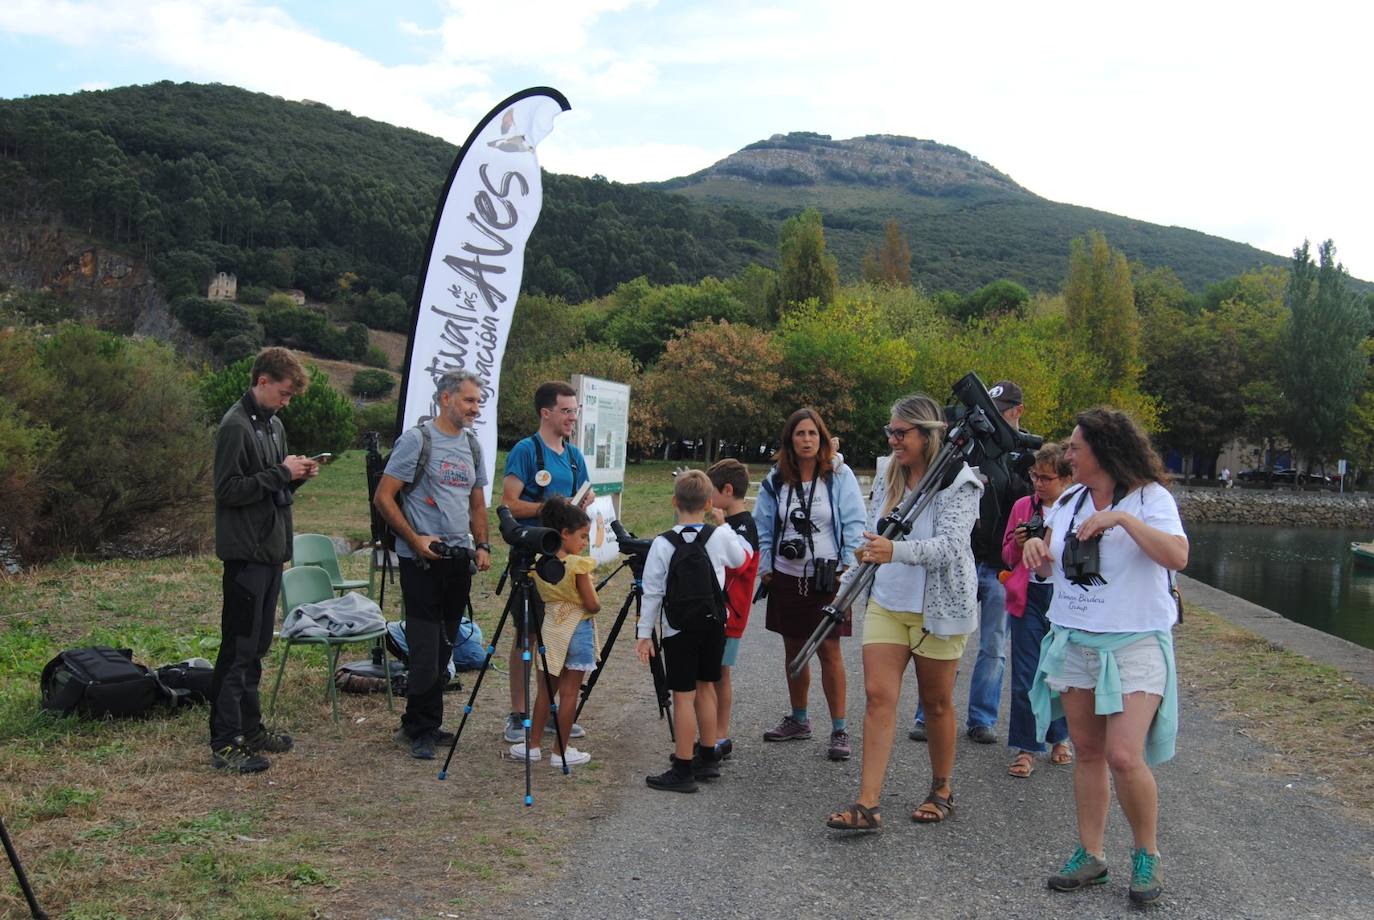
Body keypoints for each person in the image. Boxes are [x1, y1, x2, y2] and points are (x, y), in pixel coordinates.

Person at [1021, 407, 1187, 906]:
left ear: (1102, 450)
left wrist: (1119, 519)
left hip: (1134, 642)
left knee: (1123, 755)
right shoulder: (1068, 500)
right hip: (1075, 637)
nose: (1068, 454)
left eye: (1075, 447)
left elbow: (1177, 556)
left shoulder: (1150, 498)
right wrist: (1036, 550)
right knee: (1089, 752)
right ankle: (1090, 855)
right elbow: (1051, 568)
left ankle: (1147, 854)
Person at [825, 395, 983, 830]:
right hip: (888, 603)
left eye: (901, 433)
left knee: (935, 703)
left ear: (927, 434)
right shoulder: (887, 473)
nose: (894, 440)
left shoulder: (961, 483)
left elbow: (952, 548)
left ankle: (941, 788)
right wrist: (850, 579)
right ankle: (867, 803)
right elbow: (872, 535)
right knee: (878, 698)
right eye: (889, 432)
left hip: (938, 608)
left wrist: (896, 550)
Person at [374, 370, 492, 760]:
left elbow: (477, 503)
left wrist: (483, 544)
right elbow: (384, 497)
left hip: (458, 561)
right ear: (445, 399)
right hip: (421, 561)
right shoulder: (418, 441)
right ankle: (420, 729)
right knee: (424, 647)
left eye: (478, 401)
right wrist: (414, 539)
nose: (476, 408)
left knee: (444, 646)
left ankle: (424, 720)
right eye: (469, 400)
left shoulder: (473, 447)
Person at [210, 347, 318, 773]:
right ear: (262, 381)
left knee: (257, 647)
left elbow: (275, 493)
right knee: (236, 649)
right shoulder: (235, 427)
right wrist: (281, 473)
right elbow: (228, 490)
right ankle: (224, 740)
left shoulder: (274, 425)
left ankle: (251, 728)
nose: (286, 401)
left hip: (271, 551)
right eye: (283, 393)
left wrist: (297, 477)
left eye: (290, 396)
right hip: (245, 554)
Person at [912, 380, 1030, 744]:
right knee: (938, 633)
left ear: (1018, 411)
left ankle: (982, 718)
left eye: (1003, 410)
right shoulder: (964, 445)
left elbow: (1029, 503)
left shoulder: (1024, 454)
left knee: (993, 646)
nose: (995, 418)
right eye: (990, 410)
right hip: (957, 559)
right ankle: (925, 714)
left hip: (999, 565)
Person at [753, 408, 866, 760]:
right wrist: (767, 568)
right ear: (790, 440)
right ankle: (799, 720)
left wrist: (847, 567)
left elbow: (854, 520)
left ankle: (839, 729)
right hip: (787, 576)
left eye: (812, 434)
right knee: (793, 652)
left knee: (829, 652)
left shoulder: (838, 475)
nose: (806, 440)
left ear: (821, 438)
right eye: (799, 434)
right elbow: (763, 524)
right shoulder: (776, 478)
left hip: (827, 577)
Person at [636, 470, 748, 792]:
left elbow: (653, 591)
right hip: (714, 624)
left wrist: (645, 634)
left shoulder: (662, 543)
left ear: (675, 502)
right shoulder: (719, 536)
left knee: (683, 696)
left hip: (678, 628)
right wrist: (723, 524)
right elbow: (740, 559)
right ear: (710, 502)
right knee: (707, 688)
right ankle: (708, 756)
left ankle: (683, 767)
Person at [500, 381, 593, 744]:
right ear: (546, 412)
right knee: (527, 634)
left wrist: (579, 507)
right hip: (532, 556)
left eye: (575, 410)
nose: (573, 417)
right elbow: (509, 504)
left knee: (561, 634)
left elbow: (579, 504)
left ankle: (549, 711)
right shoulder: (526, 451)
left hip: (566, 561)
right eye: (566, 410)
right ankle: (518, 713)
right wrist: (552, 508)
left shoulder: (574, 456)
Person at [508, 497, 599, 768]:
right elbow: (592, 605)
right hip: (577, 630)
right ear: (565, 534)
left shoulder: (539, 564)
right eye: (582, 536)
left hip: (551, 630)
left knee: (545, 691)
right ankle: (560, 751)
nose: (584, 543)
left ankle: (532, 745)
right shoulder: (578, 566)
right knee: (570, 693)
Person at [1003, 442, 1073, 778]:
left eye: (1047, 478)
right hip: (1028, 595)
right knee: (1025, 676)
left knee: (1059, 673)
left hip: (1065, 600)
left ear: (1066, 479)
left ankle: (1059, 737)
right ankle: (1026, 746)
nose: (1039, 483)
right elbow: (1005, 555)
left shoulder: (1076, 510)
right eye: (1035, 476)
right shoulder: (1022, 507)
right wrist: (1017, 545)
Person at [706, 458, 761, 761]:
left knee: (721, 675)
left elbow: (739, 562)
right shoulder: (731, 523)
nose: (709, 500)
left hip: (731, 615)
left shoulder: (744, 525)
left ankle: (720, 733)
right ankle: (711, 730)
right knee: (714, 674)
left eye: (712, 492)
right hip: (718, 611)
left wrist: (721, 525)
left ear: (727, 490)